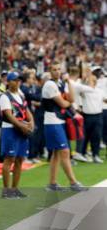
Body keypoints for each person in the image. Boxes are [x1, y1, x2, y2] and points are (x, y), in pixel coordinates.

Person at [41, 62, 86, 191]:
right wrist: (68, 102)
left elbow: (71, 98)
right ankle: (73, 183)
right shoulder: (50, 84)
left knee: (57, 154)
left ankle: (52, 183)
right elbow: (63, 103)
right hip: (52, 121)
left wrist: (68, 82)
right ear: (50, 71)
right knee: (65, 151)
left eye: (59, 69)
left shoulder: (60, 83)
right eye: (54, 69)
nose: (57, 72)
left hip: (58, 121)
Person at [0, 72, 34, 198]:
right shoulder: (4, 96)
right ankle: (6, 190)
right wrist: (23, 126)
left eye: (19, 80)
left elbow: (26, 110)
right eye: (14, 80)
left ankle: (14, 189)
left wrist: (31, 122)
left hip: (21, 129)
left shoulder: (20, 94)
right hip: (10, 130)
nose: (17, 82)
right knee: (9, 159)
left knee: (20, 159)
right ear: (8, 82)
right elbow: (8, 115)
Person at [72, 68, 105, 163]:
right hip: (87, 116)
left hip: (98, 116)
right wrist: (84, 78)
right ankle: (82, 153)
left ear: (94, 82)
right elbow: (77, 87)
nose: (88, 82)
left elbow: (105, 99)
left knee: (97, 136)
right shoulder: (84, 90)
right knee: (85, 136)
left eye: (90, 81)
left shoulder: (99, 91)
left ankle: (96, 155)